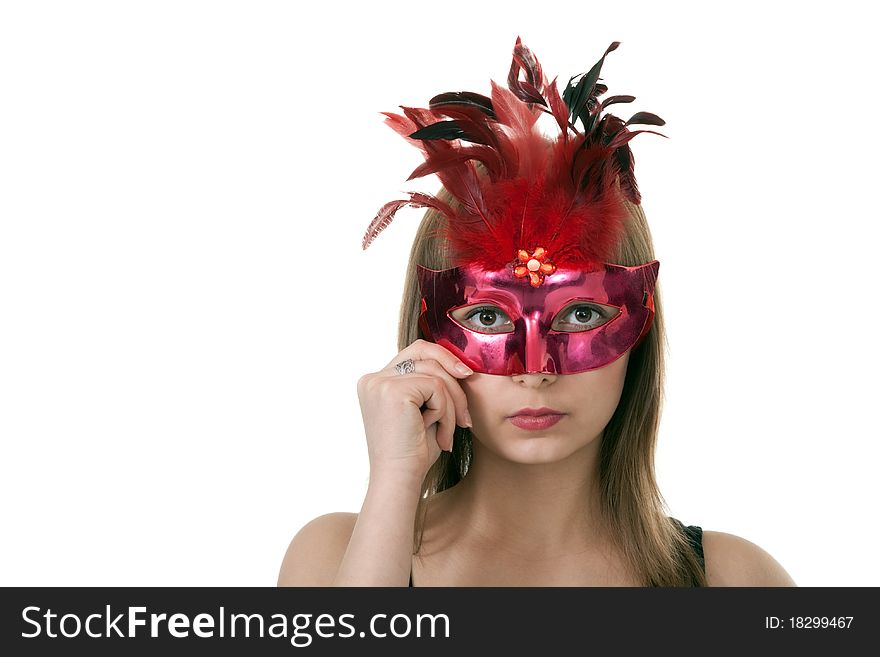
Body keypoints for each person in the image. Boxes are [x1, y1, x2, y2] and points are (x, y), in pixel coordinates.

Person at [277, 37, 796, 587]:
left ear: (640, 326)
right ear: (428, 336)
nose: (536, 370)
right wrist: (395, 478)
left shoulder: (733, 580)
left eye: (580, 317)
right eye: (487, 318)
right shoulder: (333, 559)